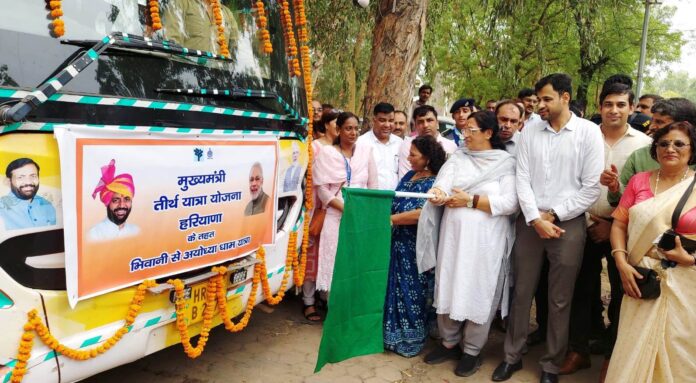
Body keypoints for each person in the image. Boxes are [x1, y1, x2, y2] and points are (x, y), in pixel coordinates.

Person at [494, 73, 603, 383]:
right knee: (521, 292)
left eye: (546, 99)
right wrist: (535, 218)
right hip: (530, 223)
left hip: (568, 225)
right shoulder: (529, 132)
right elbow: (522, 178)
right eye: (537, 99)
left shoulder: (588, 133)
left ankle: (551, 365)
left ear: (565, 97)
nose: (538, 105)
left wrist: (553, 215)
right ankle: (511, 356)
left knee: (559, 298)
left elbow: (591, 187)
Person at [560, 83, 651, 377]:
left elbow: (644, 193)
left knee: (621, 294)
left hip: (622, 230)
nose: (614, 110)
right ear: (600, 107)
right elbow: (568, 181)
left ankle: (613, 356)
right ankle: (578, 351)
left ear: (632, 108)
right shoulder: (584, 136)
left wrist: (612, 223)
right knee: (580, 290)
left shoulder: (644, 145)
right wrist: (588, 221)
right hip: (581, 224)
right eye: (608, 104)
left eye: (621, 104)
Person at [418, 111, 518, 377]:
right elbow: (441, 185)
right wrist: (438, 194)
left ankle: (472, 350)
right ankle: (449, 342)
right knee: (450, 284)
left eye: (472, 130)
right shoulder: (458, 158)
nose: (466, 135)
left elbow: (510, 203)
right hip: (454, 240)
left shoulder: (506, 163)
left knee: (479, 290)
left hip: (487, 244)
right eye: (466, 130)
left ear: (488, 133)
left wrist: (471, 201)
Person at [606, 121, 696, 382]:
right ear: (655, 149)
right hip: (640, 276)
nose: (671, 148)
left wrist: (690, 258)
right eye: (664, 143)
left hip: (685, 280)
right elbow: (619, 224)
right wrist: (621, 263)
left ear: (692, 150)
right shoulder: (639, 181)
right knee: (633, 345)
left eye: (679, 143)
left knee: (678, 346)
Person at [383, 135, 447, 357]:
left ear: (427, 158)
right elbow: (395, 199)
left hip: (417, 246)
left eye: (413, 154)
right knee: (395, 288)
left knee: (414, 292)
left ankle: (412, 337)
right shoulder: (410, 175)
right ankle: (392, 335)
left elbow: (422, 214)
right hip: (397, 242)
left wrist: (392, 219)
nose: (409, 158)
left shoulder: (436, 182)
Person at [313, 112, 378, 293]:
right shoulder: (328, 153)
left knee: (356, 260)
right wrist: (344, 207)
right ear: (339, 130)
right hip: (335, 215)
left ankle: (352, 306)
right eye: (348, 128)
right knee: (334, 260)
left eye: (356, 129)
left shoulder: (365, 152)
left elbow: (373, 185)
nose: (353, 133)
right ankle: (333, 307)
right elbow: (322, 190)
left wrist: (365, 211)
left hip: (361, 216)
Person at [302, 109, 339, 322]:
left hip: (332, 210)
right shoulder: (315, 147)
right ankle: (308, 302)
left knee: (329, 255)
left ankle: (325, 296)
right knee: (311, 256)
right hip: (315, 208)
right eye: (336, 123)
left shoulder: (340, 150)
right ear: (326, 125)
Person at [398, 105, 457, 178]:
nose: (425, 125)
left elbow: (452, 175)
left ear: (437, 123)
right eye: (420, 122)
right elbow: (405, 177)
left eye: (429, 120)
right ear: (415, 126)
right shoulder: (408, 145)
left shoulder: (451, 146)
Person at [162, 0, 238, 56]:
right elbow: (172, 47)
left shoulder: (227, 14)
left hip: (221, 75)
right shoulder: (180, 3)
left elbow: (235, 52)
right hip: (187, 73)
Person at [89, 159, 140, 241]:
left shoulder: (136, 231)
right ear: (107, 203)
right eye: (116, 200)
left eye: (127, 199)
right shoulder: (93, 235)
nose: (122, 205)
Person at [0, 158, 56, 231]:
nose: (28, 182)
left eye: (33, 176)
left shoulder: (47, 205)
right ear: (8, 181)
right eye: (20, 177)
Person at [357, 102, 403, 190]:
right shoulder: (361, 142)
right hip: (370, 198)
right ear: (374, 120)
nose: (387, 125)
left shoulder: (400, 143)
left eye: (391, 121)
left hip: (395, 198)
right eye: (382, 120)